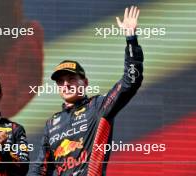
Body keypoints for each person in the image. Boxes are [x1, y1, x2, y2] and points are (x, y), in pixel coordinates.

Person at [30, 6, 144, 175]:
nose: (66, 84)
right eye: (61, 81)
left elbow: (130, 82)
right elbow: (40, 169)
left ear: (85, 82)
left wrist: (131, 38)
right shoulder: (51, 124)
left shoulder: (98, 106)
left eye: (71, 79)